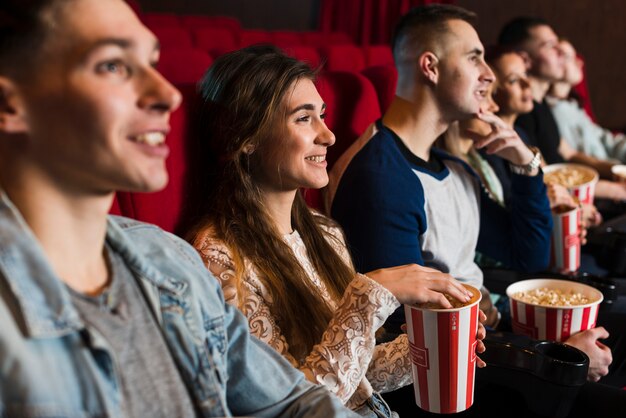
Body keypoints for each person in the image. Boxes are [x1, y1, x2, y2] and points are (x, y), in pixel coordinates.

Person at [0, 1, 360, 417]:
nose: (167, 95)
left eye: (151, 62)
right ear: (12, 104)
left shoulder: (172, 262)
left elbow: (294, 403)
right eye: (113, 65)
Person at [327, 4, 626, 415]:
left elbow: (529, 255)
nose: (489, 74)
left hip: (485, 341)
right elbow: (411, 336)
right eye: (474, 58)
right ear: (430, 67)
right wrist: (552, 357)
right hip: (448, 380)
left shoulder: (454, 167)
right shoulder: (380, 178)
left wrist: (525, 164)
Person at [185, 44, 484, 418]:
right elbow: (294, 408)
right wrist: (372, 296)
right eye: (303, 118)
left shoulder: (324, 232)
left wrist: (430, 345)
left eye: (322, 116)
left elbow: (354, 371)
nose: (328, 135)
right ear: (245, 139)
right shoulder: (219, 260)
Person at [499, 17, 626, 201]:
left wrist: (615, 170)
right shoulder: (521, 112)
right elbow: (543, 176)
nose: (561, 52)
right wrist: (617, 190)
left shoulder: (541, 105)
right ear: (526, 60)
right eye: (549, 45)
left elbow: (570, 153)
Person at [548, 39, 626, 163]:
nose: (580, 62)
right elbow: (580, 160)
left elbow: (603, 138)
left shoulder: (572, 104)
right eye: (570, 57)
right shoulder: (557, 112)